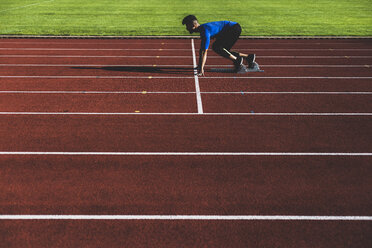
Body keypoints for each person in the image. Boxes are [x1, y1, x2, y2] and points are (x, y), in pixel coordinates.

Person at [182, 15, 255, 76]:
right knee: (224, 50)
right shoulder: (203, 29)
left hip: (233, 28)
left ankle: (237, 60)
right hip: (233, 28)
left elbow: (204, 51)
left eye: (187, 25)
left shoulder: (205, 31)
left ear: (193, 25)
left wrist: (201, 69)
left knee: (217, 47)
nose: (186, 28)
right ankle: (249, 57)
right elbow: (202, 50)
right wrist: (200, 65)